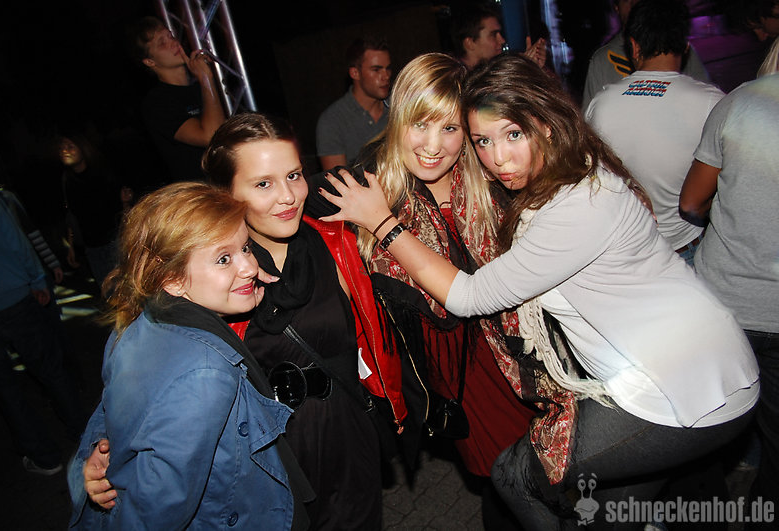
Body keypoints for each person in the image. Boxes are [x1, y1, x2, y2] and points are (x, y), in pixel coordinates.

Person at [320, 54, 759, 529]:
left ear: (545, 125)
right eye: (484, 139)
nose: (497, 156)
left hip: (632, 377)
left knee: (522, 478)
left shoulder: (537, 195)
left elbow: (470, 294)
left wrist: (383, 224)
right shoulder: (385, 189)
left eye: (451, 129)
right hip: (481, 374)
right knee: (588, 506)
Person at [82, 113, 405, 530]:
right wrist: (98, 448)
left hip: (348, 434)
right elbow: (140, 374)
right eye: (263, 183)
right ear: (226, 195)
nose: (287, 196)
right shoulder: (209, 279)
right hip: (270, 459)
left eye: (293, 175)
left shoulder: (334, 238)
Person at [314, 53, 545, 527]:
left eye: (450, 128)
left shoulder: (488, 173)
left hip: (518, 348)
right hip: (453, 365)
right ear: (399, 117)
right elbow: (285, 201)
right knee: (504, 471)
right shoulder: (369, 185)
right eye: (420, 124)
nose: (433, 146)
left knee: (538, 467)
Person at [67, 182, 310, 529]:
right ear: (172, 279)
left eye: (245, 248)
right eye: (223, 259)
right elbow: (155, 513)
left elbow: (110, 411)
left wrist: (93, 456)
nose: (248, 267)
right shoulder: (205, 376)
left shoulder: (134, 327)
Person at [679, 72, 779, 528]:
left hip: (725, 302)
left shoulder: (740, 102)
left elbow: (691, 202)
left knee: (703, 423)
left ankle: (703, 516)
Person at [585, 0, 723, 265]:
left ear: (634, 46)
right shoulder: (713, 103)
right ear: (685, 47)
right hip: (686, 249)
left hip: (626, 250)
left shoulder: (599, 105)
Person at [0, 184, 84, 475]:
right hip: (16, 299)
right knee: (51, 370)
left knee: (6, 391)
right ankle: (85, 434)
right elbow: (15, 240)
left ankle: (45, 457)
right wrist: (38, 279)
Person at [127, 16, 226, 182]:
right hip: (203, 191)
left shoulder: (200, 86)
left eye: (171, 36)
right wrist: (206, 79)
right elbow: (211, 136)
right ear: (150, 61)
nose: (173, 43)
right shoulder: (157, 103)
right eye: (162, 43)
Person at [582, 0, 709, 110]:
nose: (633, 5)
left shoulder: (675, 48)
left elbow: (704, 98)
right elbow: (590, 120)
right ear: (617, 8)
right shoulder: (602, 60)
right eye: (626, 1)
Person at [58, 131, 131, 294]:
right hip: (92, 248)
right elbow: (72, 216)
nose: (65, 151)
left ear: (82, 148)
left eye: (70, 146)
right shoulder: (67, 180)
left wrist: (126, 206)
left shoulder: (102, 172)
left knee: (128, 290)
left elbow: (123, 205)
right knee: (109, 294)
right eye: (61, 148)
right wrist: (71, 247)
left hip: (115, 241)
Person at [316, 36, 392, 170]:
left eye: (388, 68)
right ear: (355, 73)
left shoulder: (398, 107)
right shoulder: (332, 121)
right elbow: (337, 180)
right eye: (376, 70)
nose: (386, 76)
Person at [451, 2, 547, 70]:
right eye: (493, 35)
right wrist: (522, 71)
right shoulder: (457, 82)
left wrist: (534, 69)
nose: (502, 40)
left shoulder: (491, 73)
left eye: (500, 34)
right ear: (469, 43)